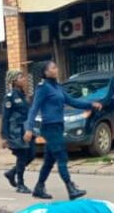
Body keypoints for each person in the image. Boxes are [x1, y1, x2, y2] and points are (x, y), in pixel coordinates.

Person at [23, 61, 102, 201]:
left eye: (56, 66)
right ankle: (71, 188)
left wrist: (91, 104)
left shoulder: (58, 87)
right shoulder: (43, 88)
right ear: (46, 72)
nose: (56, 69)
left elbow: (72, 101)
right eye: (53, 67)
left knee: (49, 160)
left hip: (59, 127)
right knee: (62, 157)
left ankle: (39, 188)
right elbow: (34, 109)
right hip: (49, 128)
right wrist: (29, 128)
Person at [1, 70, 34, 195]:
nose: (24, 79)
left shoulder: (23, 95)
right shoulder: (10, 97)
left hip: (25, 130)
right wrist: (4, 137)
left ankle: (12, 173)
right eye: (20, 77)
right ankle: (20, 184)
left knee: (31, 154)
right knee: (22, 156)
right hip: (16, 131)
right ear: (14, 81)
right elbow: (5, 117)